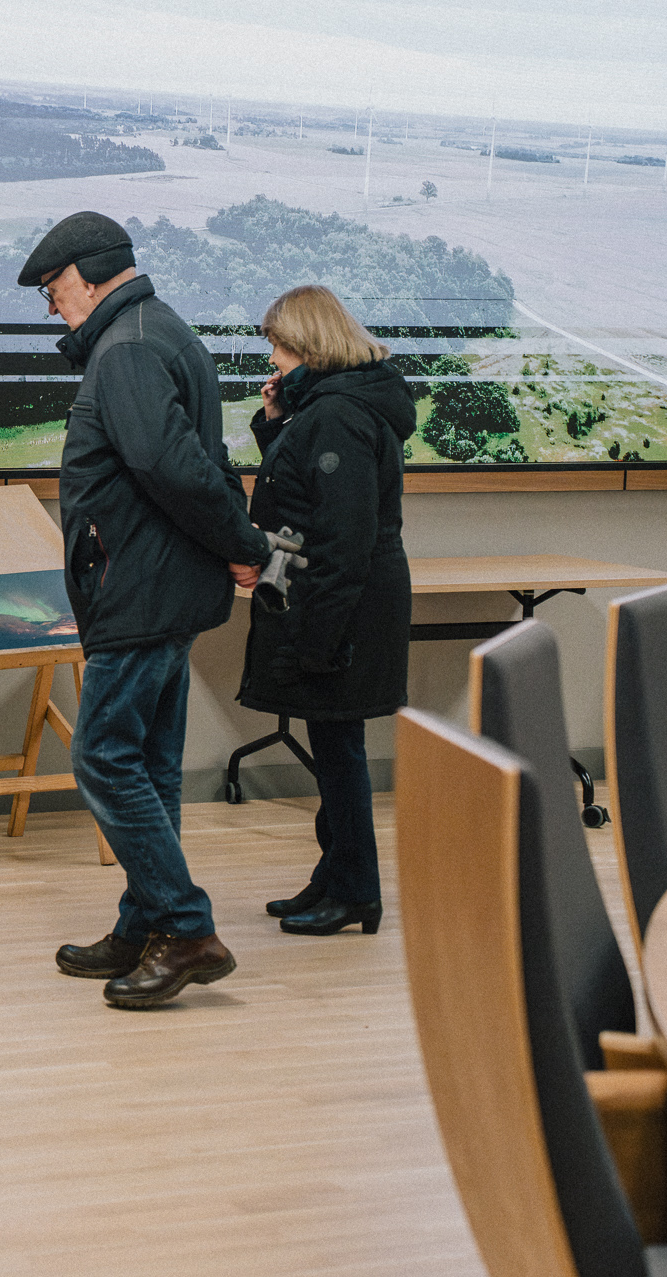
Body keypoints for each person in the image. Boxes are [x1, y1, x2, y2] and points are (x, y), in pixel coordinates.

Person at [21, 212, 274, 1010]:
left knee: (102, 755)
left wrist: (244, 543)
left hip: (139, 586)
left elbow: (174, 468)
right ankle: (142, 923)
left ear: (90, 274)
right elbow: (204, 462)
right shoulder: (158, 328)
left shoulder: (125, 348)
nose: (53, 306)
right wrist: (238, 542)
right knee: (150, 762)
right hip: (163, 586)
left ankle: (186, 927)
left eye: (55, 289)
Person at [232, 285, 413, 936]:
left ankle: (357, 890)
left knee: (340, 750)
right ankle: (334, 875)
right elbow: (303, 490)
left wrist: (319, 636)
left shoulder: (339, 415)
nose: (272, 360)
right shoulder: (333, 406)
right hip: (341, 599)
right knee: (336, 745)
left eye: (279, 347)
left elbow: (341, 540)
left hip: (345, 605)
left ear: (309, 346)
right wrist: (276, 421)